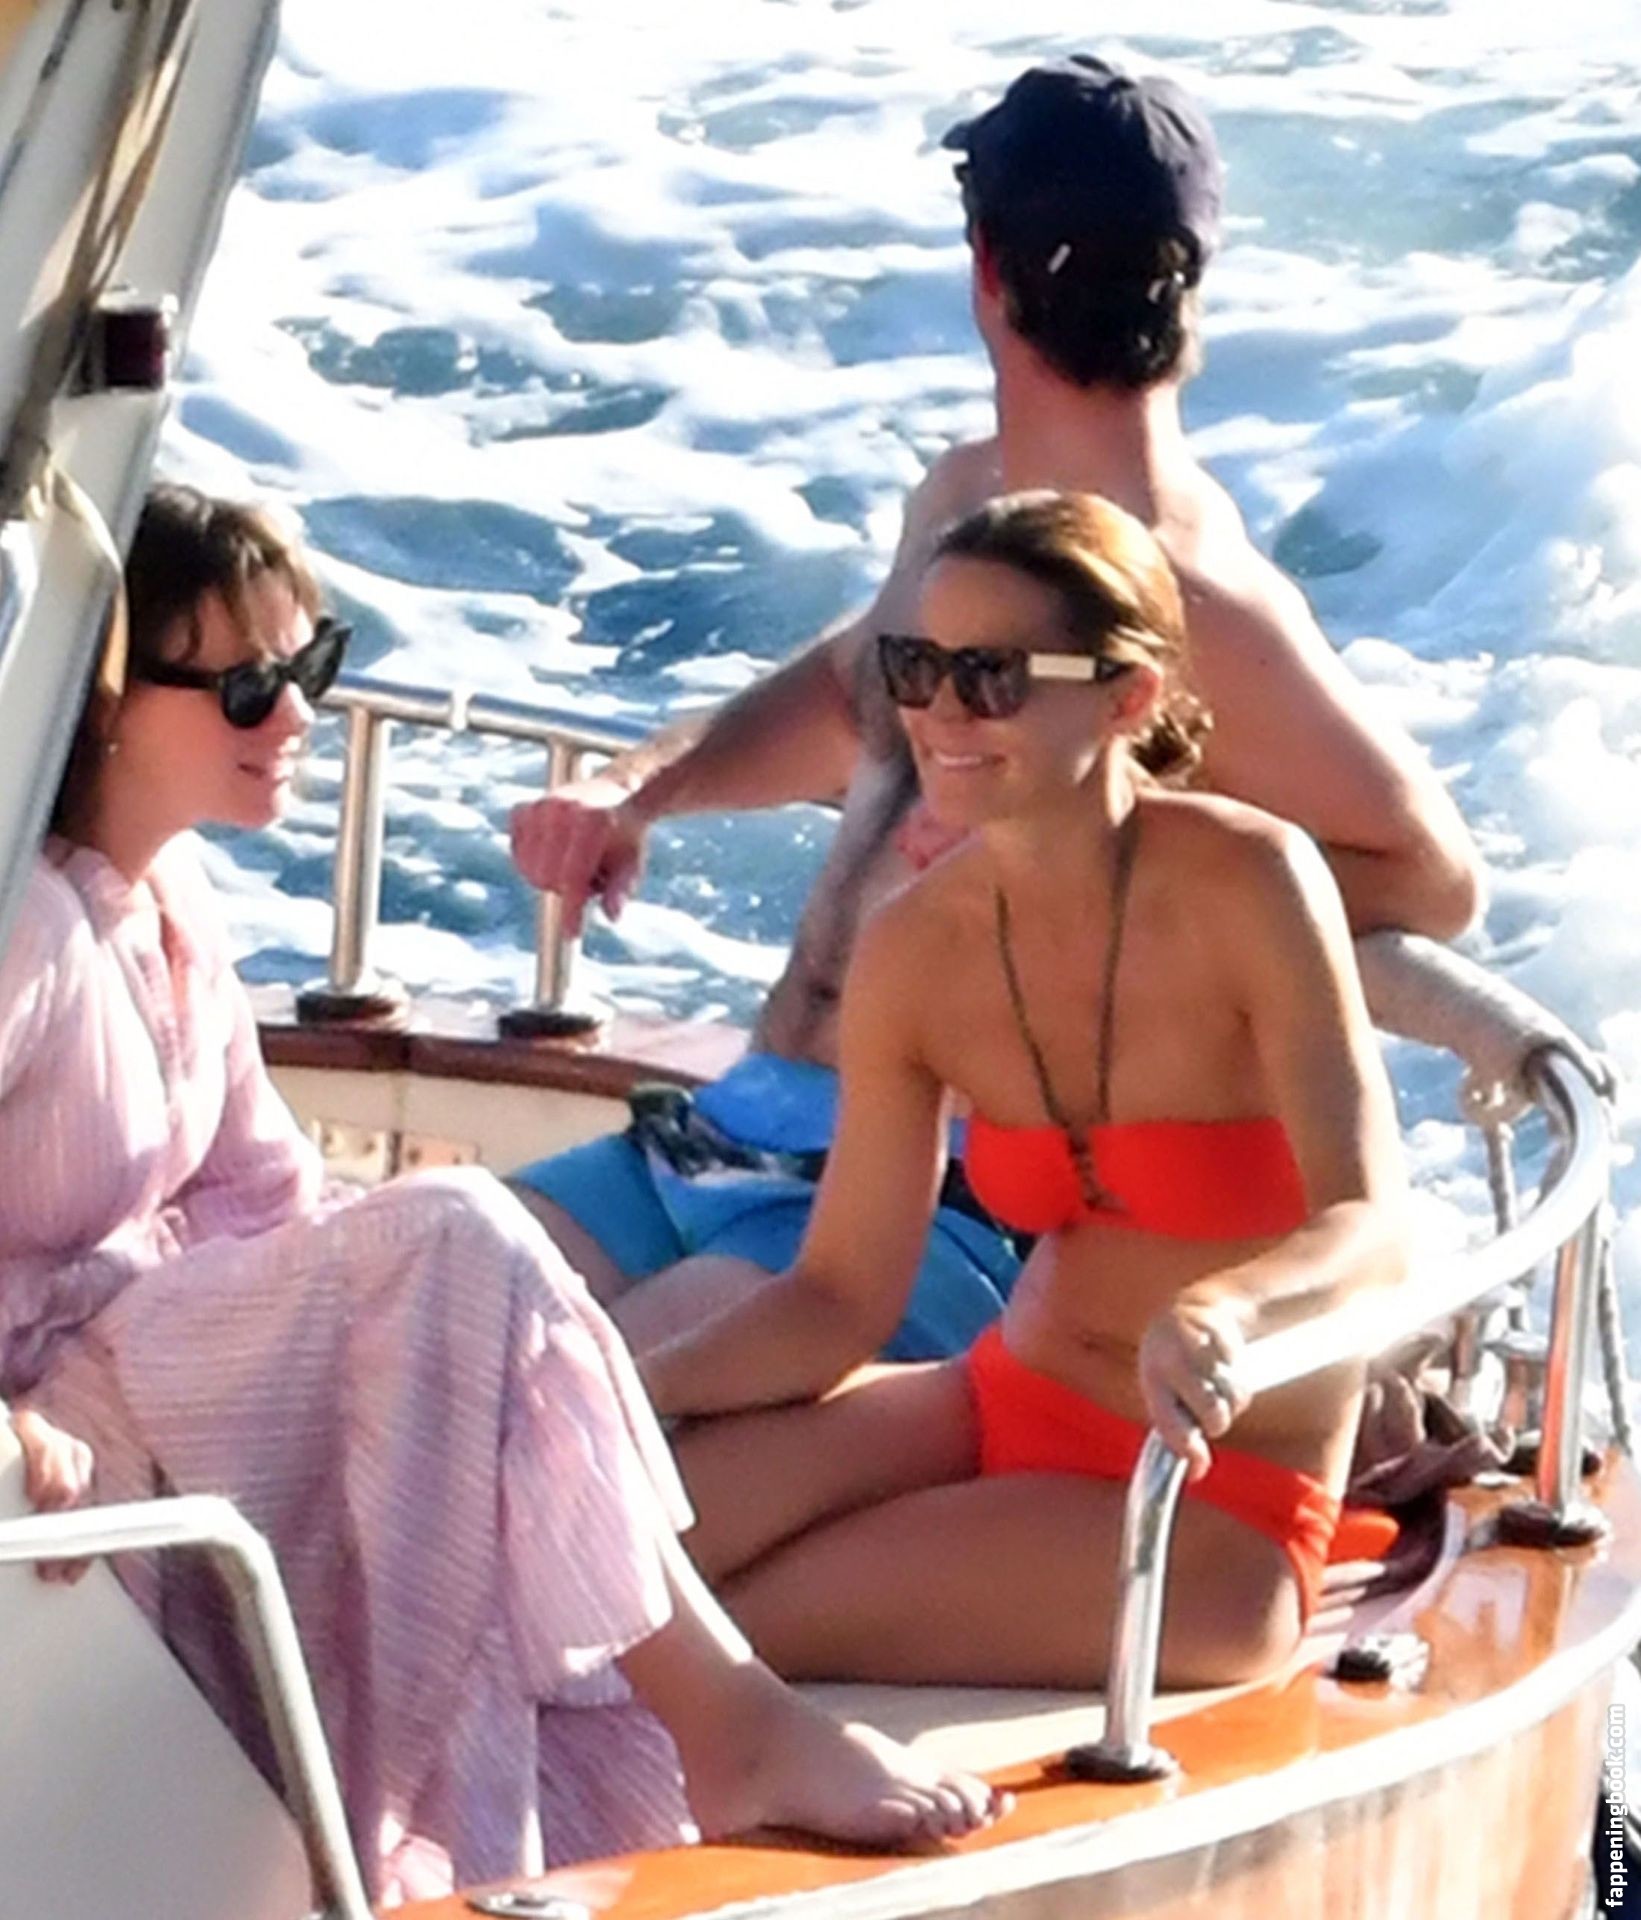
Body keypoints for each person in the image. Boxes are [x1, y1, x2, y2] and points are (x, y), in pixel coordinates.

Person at [0, 483, 1003, 1905]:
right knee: (464, 1235)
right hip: (58, 1414)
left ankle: (601, 1779)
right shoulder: (30, 932)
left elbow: (268, 1200)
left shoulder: (174, 906)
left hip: (170, 1370)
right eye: (245, 688)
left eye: (310, 665)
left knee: (459, 1301)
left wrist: (410, 1341)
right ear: (105, 701)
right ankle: (733, 1724)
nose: (297, 714)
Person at [506, 55, 1477, 1363]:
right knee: (409, 1324)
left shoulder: (1191, 597)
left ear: (985, 270)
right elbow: (851, 692)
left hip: (933, 1196)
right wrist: (642, 788)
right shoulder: (967, 502)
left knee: (567, 1401)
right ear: (1190, 284)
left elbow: (1428, 876)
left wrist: (1076, 857)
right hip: (737, 1119)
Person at [640, 490, 1409, 1690]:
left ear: (1128, 696)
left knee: (704, 1639)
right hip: (1001, 1398)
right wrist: (630, 1388)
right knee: (600, 1563)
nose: (941, 712)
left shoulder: (1251, 882)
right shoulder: (914, 947)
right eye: (916, 667)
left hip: (1211, 1492)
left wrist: (1226, 1315)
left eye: (991, 676)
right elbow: (838, 1299)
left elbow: (1370, 1225)